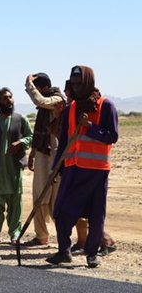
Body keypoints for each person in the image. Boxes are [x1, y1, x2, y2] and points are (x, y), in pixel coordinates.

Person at [46, 66, 118, 268]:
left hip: (96, 171)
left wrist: (90, 127)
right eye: (73, 84)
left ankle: (92, 254)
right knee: (61, 211)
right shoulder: (71, 108)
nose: (76, 88)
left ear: (89, 83)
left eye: (80, 84)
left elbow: (112, 136)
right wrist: (55, 168)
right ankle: (63, 251)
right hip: (72, 169)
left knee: (96, 214)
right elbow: (64, 140)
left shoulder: (106, 106)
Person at [21, 73, 65, 247]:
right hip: (42, 155)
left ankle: (65, 240)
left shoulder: (57, 99)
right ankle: (41, 236)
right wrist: (32, 154)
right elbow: (39, 132)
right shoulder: (43, 109)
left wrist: (29, 84)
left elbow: (39, 101)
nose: (35, 92)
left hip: (55, 156)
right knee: (38, 195)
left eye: (37, 89)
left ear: (44, 88)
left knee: (56, 198)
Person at [0, 88, 33, 245]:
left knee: (16, 202)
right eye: (5, 98)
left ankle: (15, 234)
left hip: (14, 169)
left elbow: (31, 136)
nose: (9, 101)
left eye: (10, 97)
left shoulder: (21, 120)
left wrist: (21, 142)